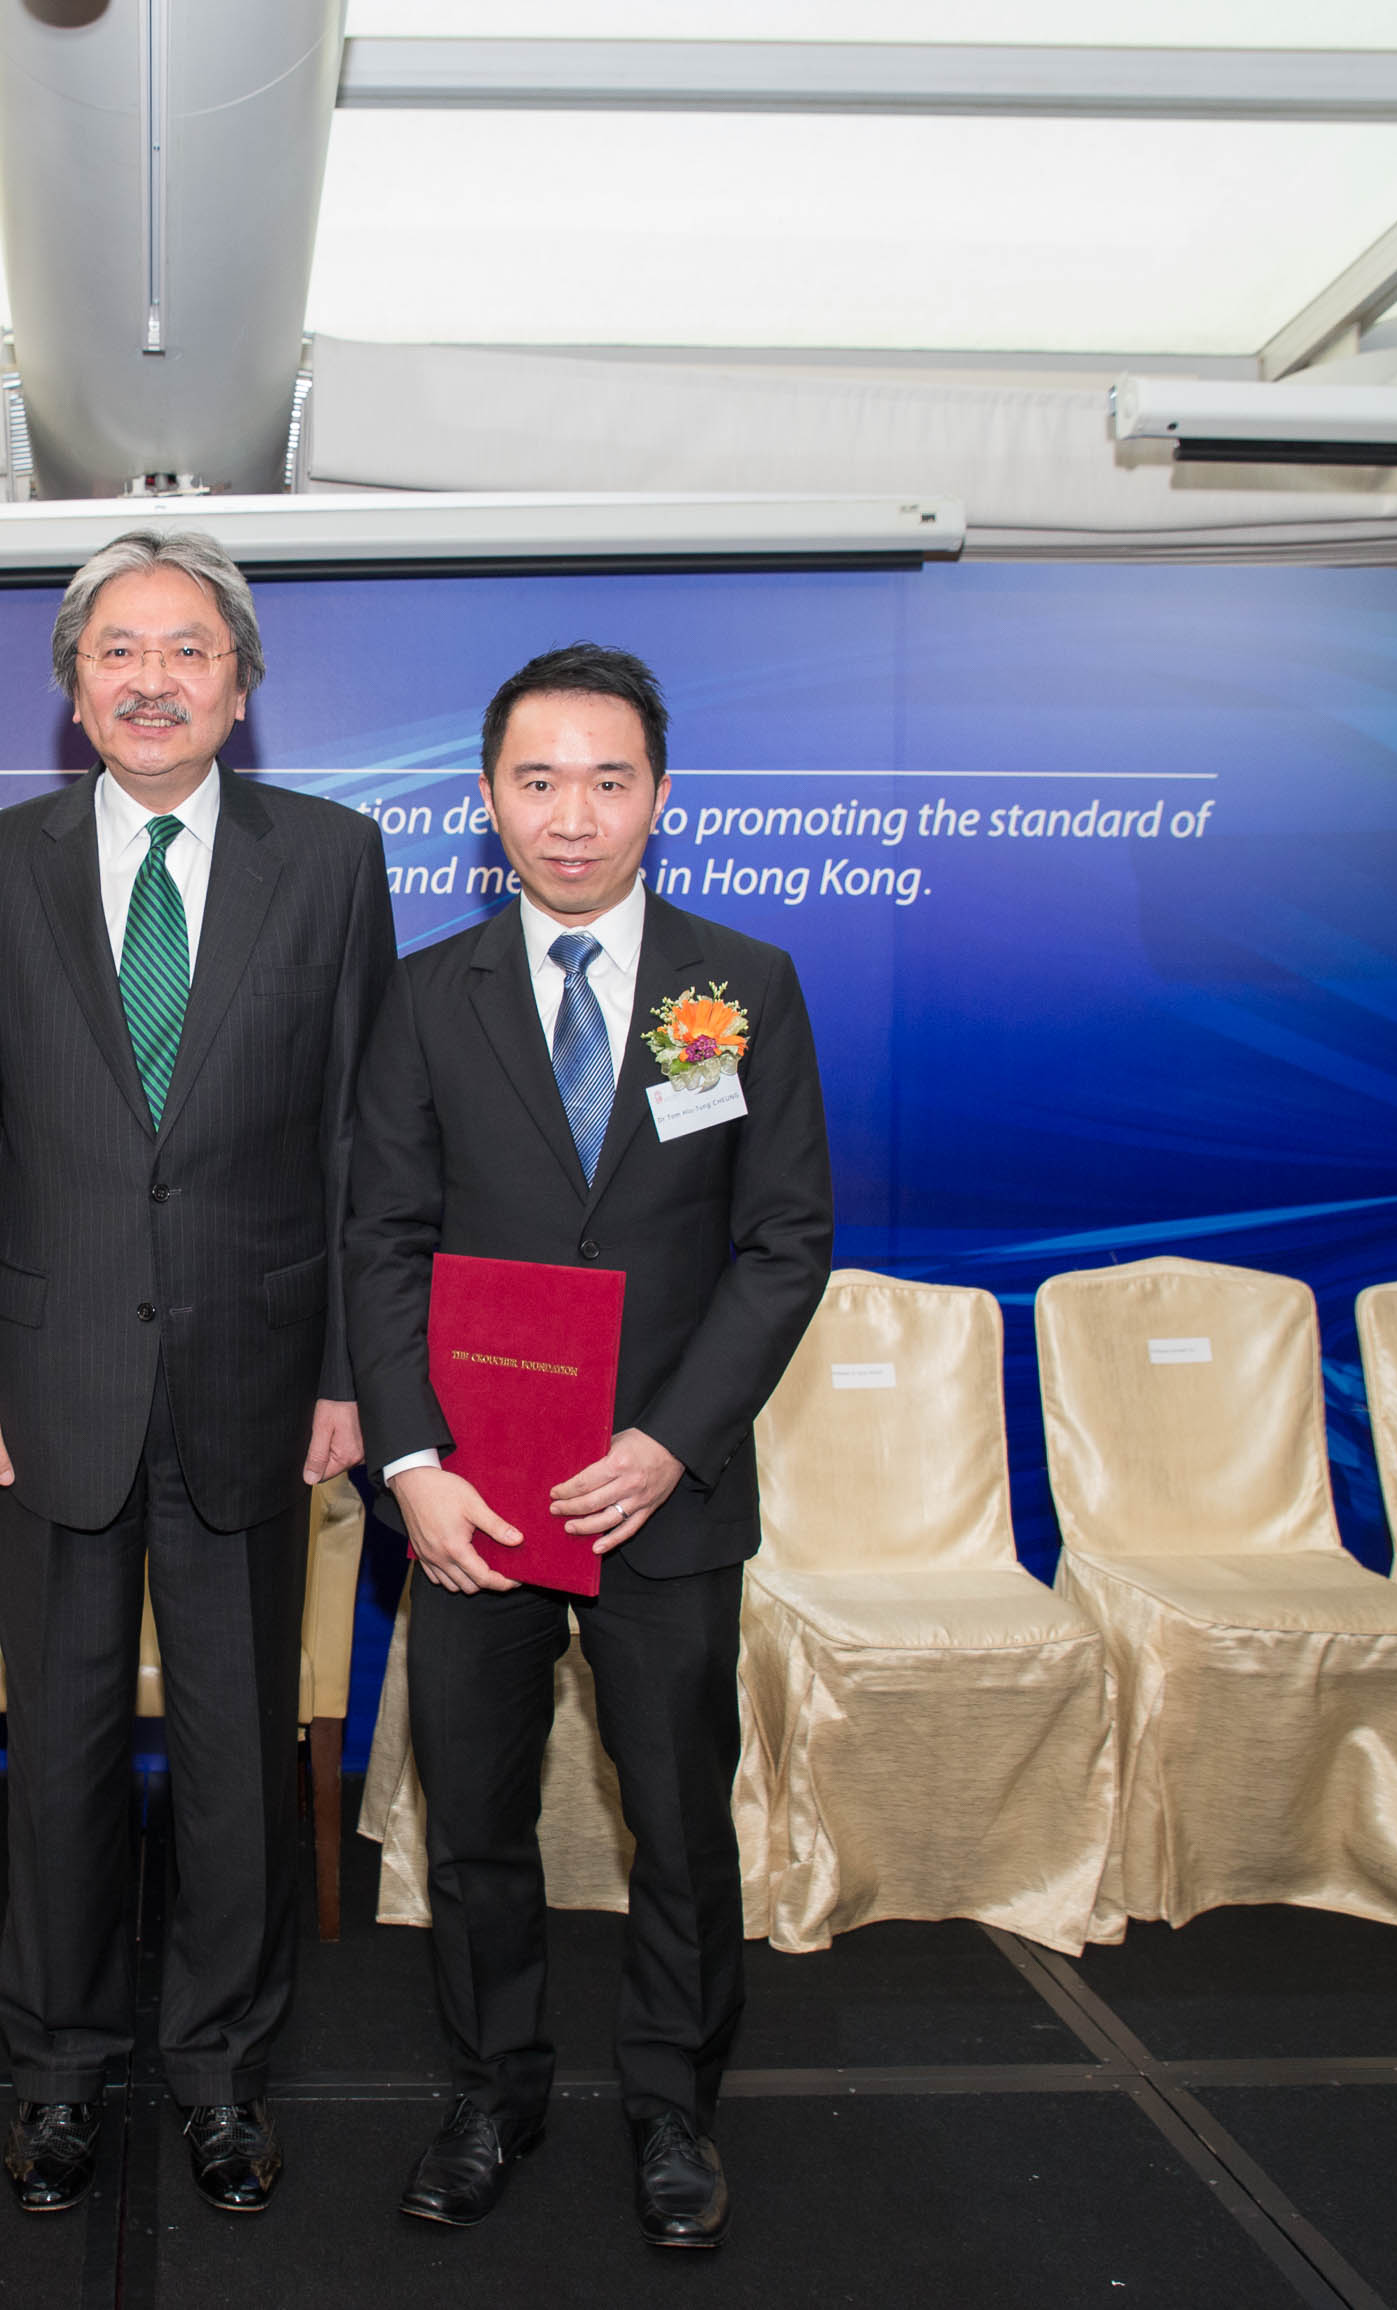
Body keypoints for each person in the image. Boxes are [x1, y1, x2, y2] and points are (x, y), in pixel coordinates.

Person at [0, 528, 396, 2217]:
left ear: (239, 684)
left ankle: (217, 2073)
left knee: (232, 1758)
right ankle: (54, 2069)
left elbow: (359, 1134)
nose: (149, 677)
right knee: (51, 1755)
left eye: (185, 649)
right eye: (115, 649)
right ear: (72, 685)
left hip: (258, 1385)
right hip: (42, 1386)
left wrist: (350, 1367)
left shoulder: (333, 860)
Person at [345, 642, 833, 2249]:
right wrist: (410, 1461)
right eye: (537, 779)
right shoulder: (424, 996)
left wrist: (667, 1444)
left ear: (660, 797)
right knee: (473, 1814)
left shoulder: (736, 986)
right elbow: (383, 1244)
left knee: (680, 1819)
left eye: (606, 778)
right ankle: (493, 2086)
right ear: (486, 799)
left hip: (659, 1502)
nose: (572, 814)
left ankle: (675, 2105)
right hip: (471, 1503)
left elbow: (781, 1243)